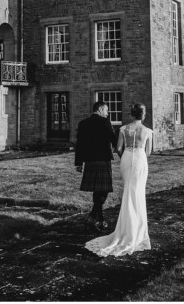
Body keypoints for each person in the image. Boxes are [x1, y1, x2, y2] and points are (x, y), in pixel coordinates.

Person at [85, 102, 152, 257]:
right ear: (143, 115)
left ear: (131, 114)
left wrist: (126, 158)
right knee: (138, 192)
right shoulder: (148, 131)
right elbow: (148, 152)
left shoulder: (123, 129)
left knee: (128, 191)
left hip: (126, 160)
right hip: (140, 160)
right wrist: (139, 157)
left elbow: (118, 148)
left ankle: (124, 229)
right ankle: (137, 231)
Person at [74, 100, 118, 232]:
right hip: (103, 160)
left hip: (90, 161)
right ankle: (95, 217)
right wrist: (123, 151)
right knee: (103, 191)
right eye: (106, 111)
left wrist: (78, 163)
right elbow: (114, 140)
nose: (107, 113)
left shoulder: (83, 124)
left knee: (97, 190)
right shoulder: (105, 122)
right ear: (100, 110)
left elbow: (80, 144)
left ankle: (97, 218)